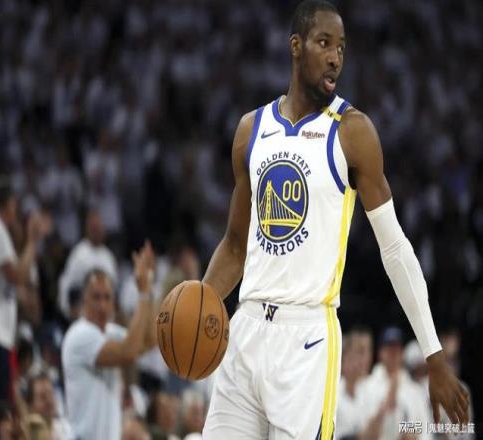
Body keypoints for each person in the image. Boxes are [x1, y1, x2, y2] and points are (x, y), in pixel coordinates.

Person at [200, 1, 469, 438]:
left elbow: (395, 248)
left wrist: (434, 356)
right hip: (245, 328)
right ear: (295, 46)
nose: (334, 57)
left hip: (307, 340)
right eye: (324, 43)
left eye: (341, 48)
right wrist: (201, 302)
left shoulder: (353, 131)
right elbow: (234, 245)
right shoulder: (251, 130)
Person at [61, 241, 156, 440]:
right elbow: (129, 352)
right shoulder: (79, 334)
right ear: (84, 300)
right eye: (96, 297)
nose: (102, 305)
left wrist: (148, 286)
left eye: (107, 297)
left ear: (114, 303)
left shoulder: (111, 333)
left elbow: (148, 340)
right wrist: (142, 294)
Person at [0, 182, 48, 403]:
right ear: (9, 205)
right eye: (14, 205)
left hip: (0, 332)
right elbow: (17, 276)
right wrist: (32, 242)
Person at [58, 208, 118, 321]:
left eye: (98, 227)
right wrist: (71, 312)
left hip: (106, 318)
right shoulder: (79, 254)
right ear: (87, 229)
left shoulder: (109, 256)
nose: (97, 231)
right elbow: (68, 288)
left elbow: (113, 291)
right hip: (84, 317)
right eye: (93, 227)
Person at [25, 372, 73, 440]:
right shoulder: (25, 435)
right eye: (42, 397)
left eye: (50, 394)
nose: (49, 401)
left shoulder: (66, 427)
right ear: (31, 406)